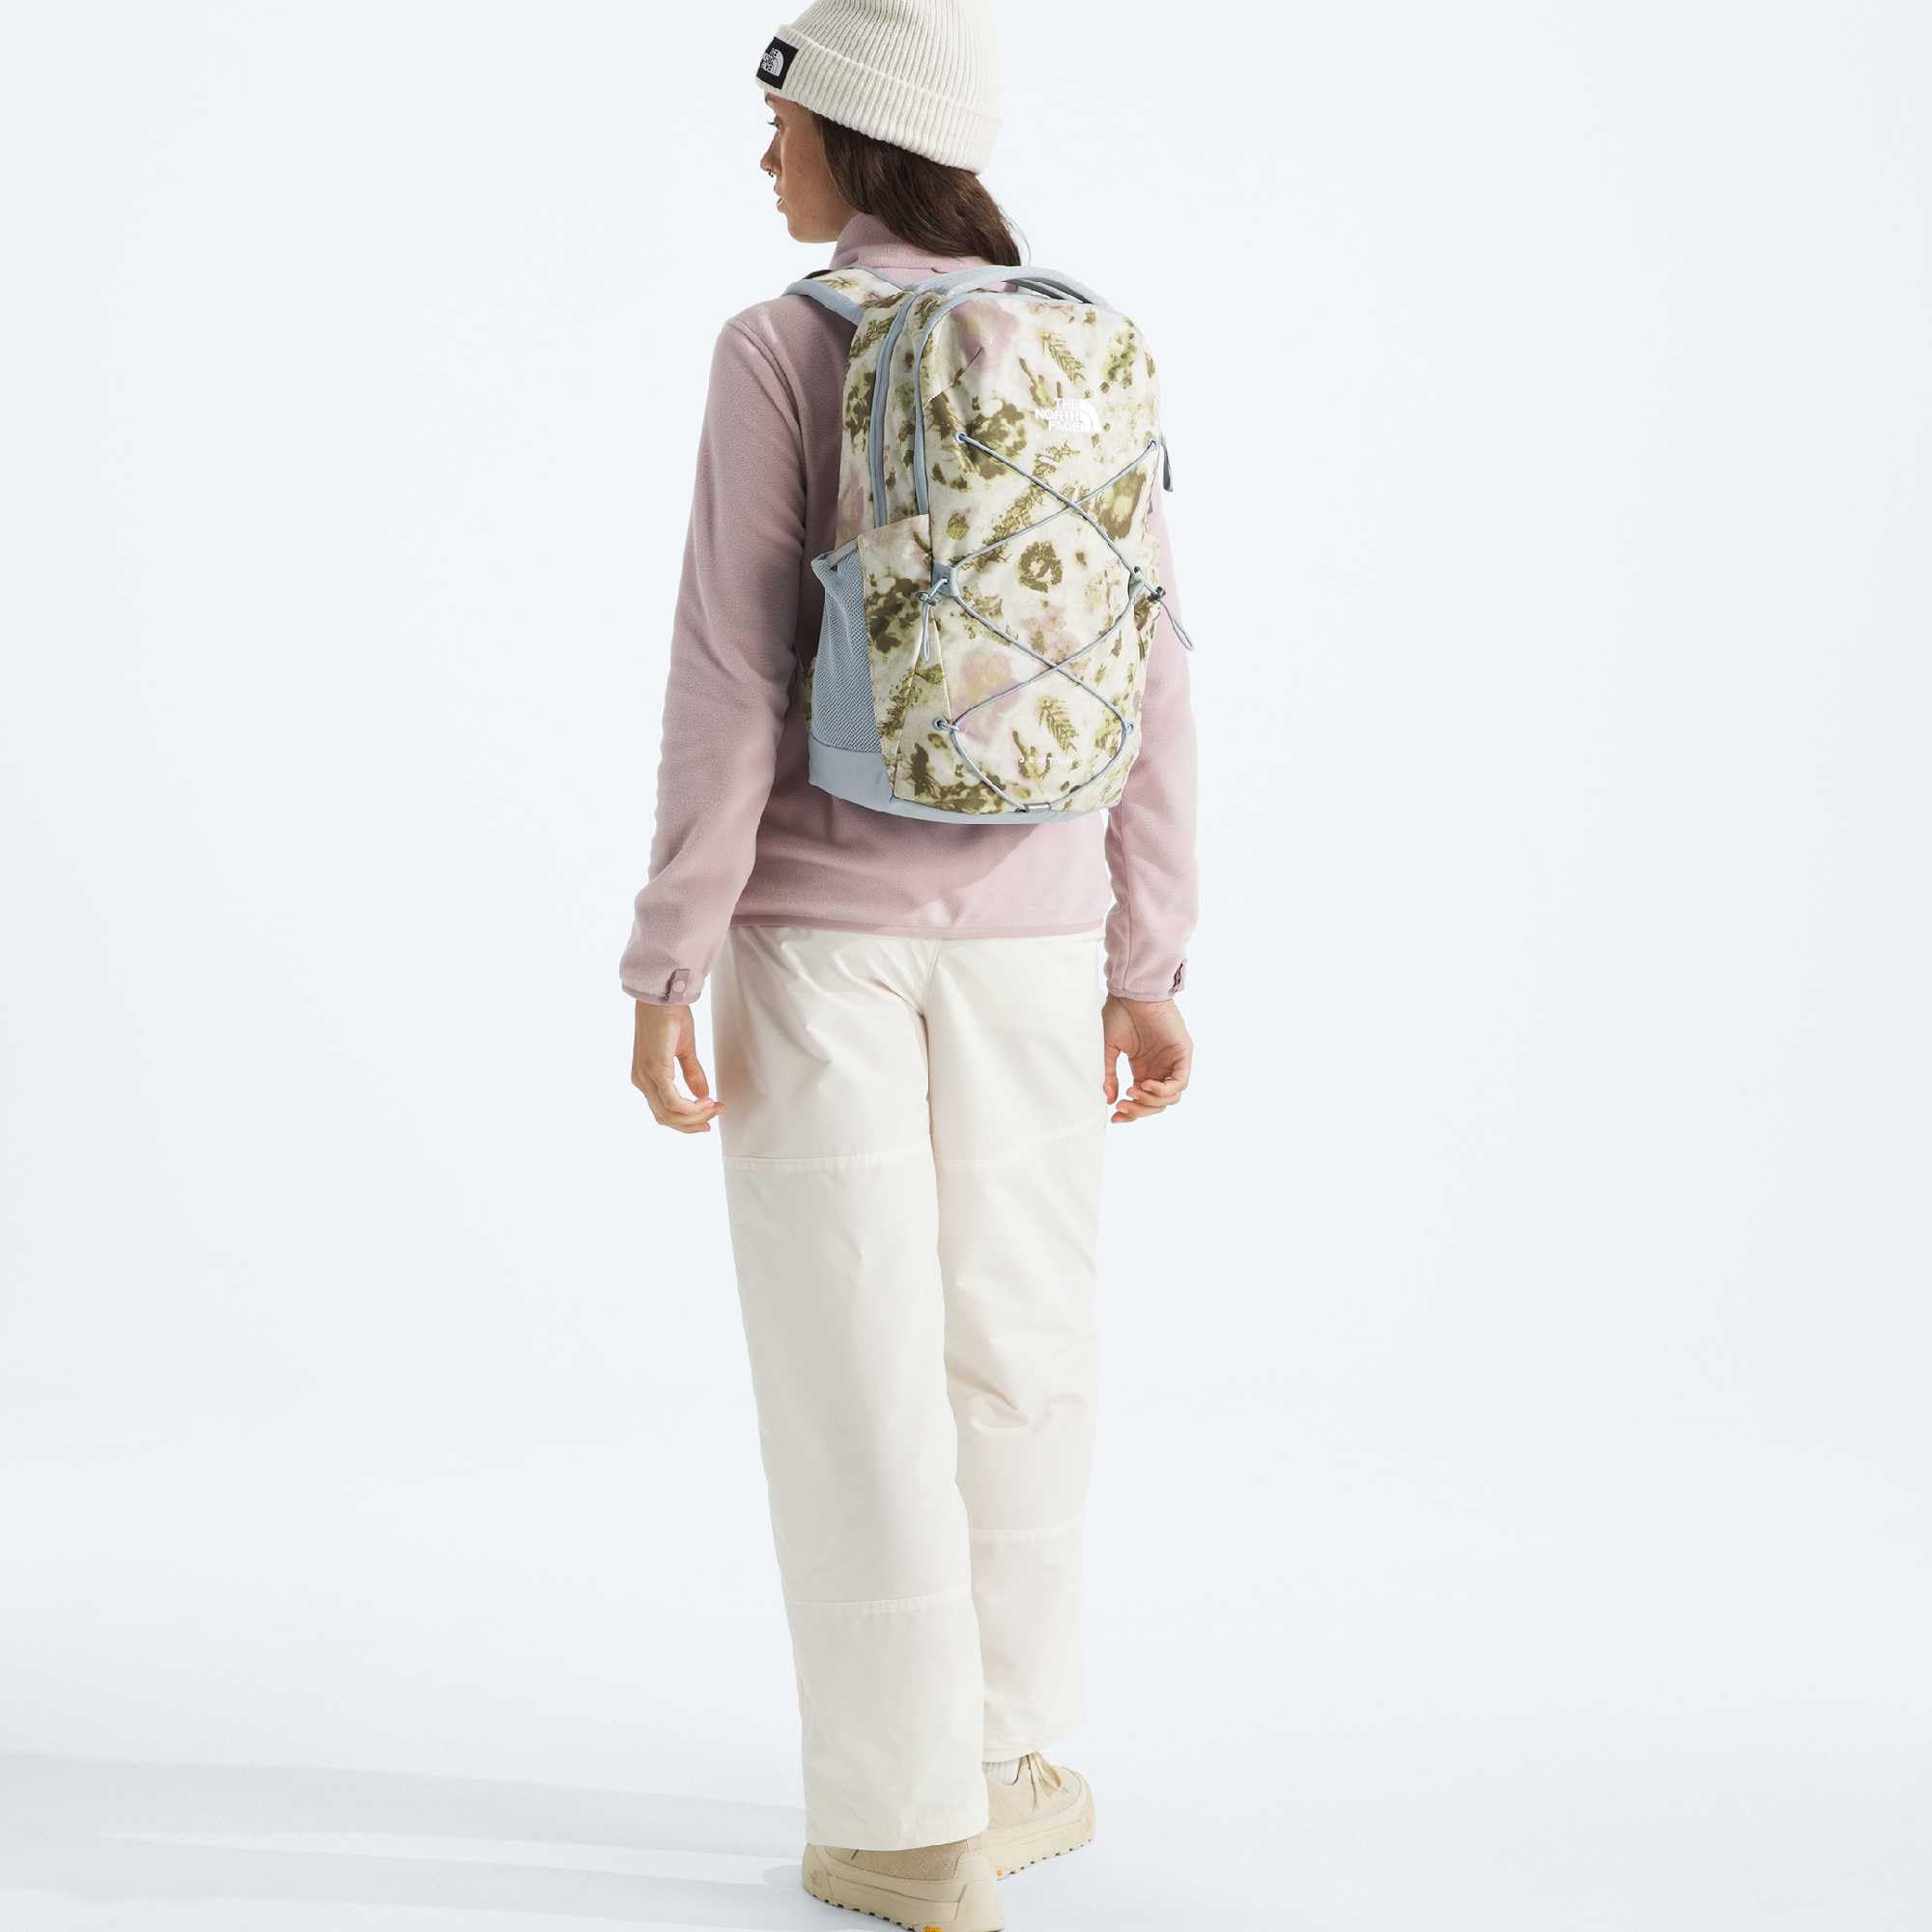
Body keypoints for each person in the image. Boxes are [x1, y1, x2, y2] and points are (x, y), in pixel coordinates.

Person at [619, 4, 1198, 1925]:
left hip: (821, 942)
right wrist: (1149, 950)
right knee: (1018, 1347)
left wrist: (665, 956)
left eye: (777, 117)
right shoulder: (1083, 342)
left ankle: (902, 1823)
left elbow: (728, 674)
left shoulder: (779, 348)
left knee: (854, 1368)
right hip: (1041, 940)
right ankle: (1015, 1762)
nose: (762, 153)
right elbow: (1157, 662)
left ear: (854, 127)